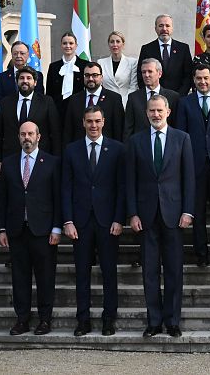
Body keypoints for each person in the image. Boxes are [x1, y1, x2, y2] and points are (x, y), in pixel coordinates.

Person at [126, 94, 195, 338]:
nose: (156, 115)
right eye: (151, 111)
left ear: (168, 112)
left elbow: (188, 178)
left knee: (175, 270)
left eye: (159, 110)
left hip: (174, 215)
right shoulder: (135, 141)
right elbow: (130, 181)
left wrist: (188, 211)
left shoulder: (182, 139)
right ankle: (154, 321)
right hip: (146, 216)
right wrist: (132, 213)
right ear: (146, 114)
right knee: (150, 272)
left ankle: (172, 321)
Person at [62, 106, 126, 336]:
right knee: (82, 274)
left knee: (109, 273)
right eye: (89, 121)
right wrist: (67, 221)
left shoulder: (117, 149)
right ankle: (84, 320)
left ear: (104, 122)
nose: (93, 125)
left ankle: (109, 319)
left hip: (108, 221)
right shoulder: (71, 151)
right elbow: (66, 188)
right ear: (83, 123)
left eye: (97, 121)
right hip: (80, 223)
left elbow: (122, 188)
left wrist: (120, 219)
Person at [0, 121, 62, 336]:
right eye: (23, 134)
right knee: (20, 278)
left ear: (38, 136)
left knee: (45, 277)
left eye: (30, 134)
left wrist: (56, 228)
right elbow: (3, 199)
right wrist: (2, 229)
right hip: (17, 230)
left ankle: (45, 320)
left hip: (43, 231)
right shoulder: (8, 164)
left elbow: (57, 198)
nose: (27, 137)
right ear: (18, 137)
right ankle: (22, 319)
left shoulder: (52, 163)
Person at [176, 63, 210, 267]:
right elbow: (181, 135)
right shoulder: (185, 103)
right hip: (194, 164)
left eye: (206, 78)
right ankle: (201, 253)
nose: (203, 82)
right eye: (199, 78)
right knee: (197, 212)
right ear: (194, 80)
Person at [0, 66, 61, 172]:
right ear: (17, 82)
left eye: (29, 78)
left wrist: (56, 160)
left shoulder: (46, 102)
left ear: (35, 82)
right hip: (11, 160)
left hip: (41, 160)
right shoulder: (6, 102)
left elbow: (55, 133)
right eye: (21, 78)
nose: (25, 81)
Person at [63, 62, 124, 146]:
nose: (90, 78)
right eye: (87, 75)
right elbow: (68, 130)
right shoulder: (74, 99)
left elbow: (118, 130)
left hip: (107, 151)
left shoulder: (114, 99)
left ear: (101, 77)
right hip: (80, 151)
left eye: (95, 75)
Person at [123, 58, 180, 141]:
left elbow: (176, 125)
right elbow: (128, 128)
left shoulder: (173, 97)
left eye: (150, 71)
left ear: (159, 73)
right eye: (143, 72)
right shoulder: (133, 97)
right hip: (140, 147)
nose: (146, 75)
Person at [137, 14, 194, 95]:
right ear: (155, 29)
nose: (164, 29)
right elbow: (140, 76)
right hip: (153, 100)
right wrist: (151, 96)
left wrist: (179, 97)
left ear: (172, 28)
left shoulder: (183, 48)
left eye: (167, 26)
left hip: (178, 99)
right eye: (161, 26)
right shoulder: (146, 49)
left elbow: (188, 76)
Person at [45, 32, 89, 115]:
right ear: (61, 45)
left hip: (79, 110)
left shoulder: (85, 65)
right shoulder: (53, 66)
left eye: (71, 43)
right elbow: (49, 92)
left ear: (76, 45)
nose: (68, 46)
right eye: (64, 43)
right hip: (57, 110)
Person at [0, 41, 45, 107]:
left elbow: (40, 97)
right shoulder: (2, 77)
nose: (18, 56)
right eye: (15, 53)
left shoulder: (37, 75)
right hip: (9, 114)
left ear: (28, 55)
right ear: (11, 55)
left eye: (22, 53)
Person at [99, 31, 138, 108]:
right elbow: (100, 86)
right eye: (112, 42)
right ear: (108, 45)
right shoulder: (101, 62)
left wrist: (123, 103)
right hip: (106, 104)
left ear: (123, 44)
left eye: (118, 41)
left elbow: (133, 86)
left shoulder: (132, 62)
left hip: (126, 104)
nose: (115, 44)